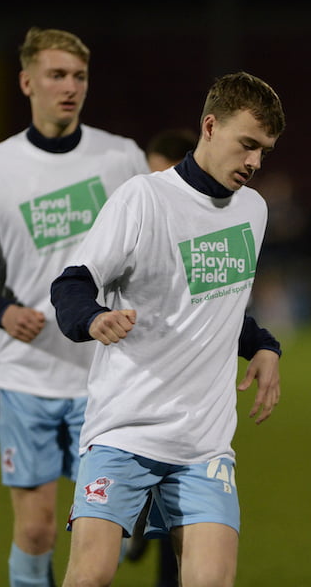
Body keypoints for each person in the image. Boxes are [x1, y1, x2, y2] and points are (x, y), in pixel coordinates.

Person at [50, 70, 285, 587]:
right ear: (210, 127)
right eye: (247, 144)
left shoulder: (253, 210)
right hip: (125, 430)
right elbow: (70, 285)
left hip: (203, 445)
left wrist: (264, 346)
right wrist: (94, 318)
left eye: (264, 151)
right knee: (90, 576)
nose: (254, 162)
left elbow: (217, 305)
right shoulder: (143, 199)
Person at [0, 27, 150, 587]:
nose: (70, 87)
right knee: (36, 531)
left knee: (100, 536)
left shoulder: (121, 156)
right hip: (28, 375)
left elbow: (154, 247)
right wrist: (3, 313)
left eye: (79, 76)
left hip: (105, 376)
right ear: (26, 82)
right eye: (57, 75)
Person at [123, 127, 197, 587]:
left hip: (186, 381)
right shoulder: (135, 215)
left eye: (160, 173)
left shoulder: (206, 222)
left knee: (180, 501)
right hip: (136, 376)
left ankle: (142, 519)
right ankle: (136, 515)